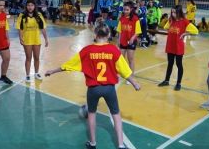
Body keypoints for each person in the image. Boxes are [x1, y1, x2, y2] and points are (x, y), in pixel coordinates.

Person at [45, 21, 140, 149]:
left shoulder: (87, 51)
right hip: (109, 89)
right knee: (116, 115)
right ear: (109, 34)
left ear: (95, 34)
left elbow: (68, 65)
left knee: (91, 114)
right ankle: (121, 145)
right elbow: (124, 70)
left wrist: (52, 71)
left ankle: (93, 143)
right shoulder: (113, 50)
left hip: (93, 89)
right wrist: (134, 83)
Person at [158, 5, 198, 90]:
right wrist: (170, 25)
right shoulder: (171, 20)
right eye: (172, 12)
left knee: (178, 64)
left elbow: (196, 31)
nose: (173, 14)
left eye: (175, 12)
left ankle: (178, 83)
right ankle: (166, 81)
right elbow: (165, 27)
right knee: (170, 63)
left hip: (178, 46)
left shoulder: (185, 21)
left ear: (179, 12)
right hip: (170, 45)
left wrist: (185, 33)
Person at [16, 0, 48, 82]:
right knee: (28, 58)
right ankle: (27, 75)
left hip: (36, 40)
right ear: (26, 6)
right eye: (28, 5)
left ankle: (36, 73)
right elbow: (20, 28)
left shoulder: (39, 15)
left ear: (34, 6)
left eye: (32, 5)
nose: (30, 7)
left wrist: (46, 39)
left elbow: (43, 28)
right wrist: (20, 38)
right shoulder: (22, 15)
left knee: (37, 57)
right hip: (27, 40)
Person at [116, 1, 142, 81]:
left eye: (127, 10)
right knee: (121, 59)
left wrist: (132, 38)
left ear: (131, 10)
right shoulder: (122, 18)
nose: (125, 11)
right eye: (124, 9)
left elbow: (138, 31)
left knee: (130, 59)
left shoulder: (135, 19)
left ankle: (131, 77)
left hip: (131, 41)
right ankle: (121, 75)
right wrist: (119, 40)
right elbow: (119, 31)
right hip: (123, 41)